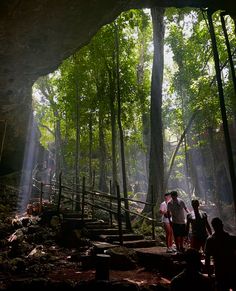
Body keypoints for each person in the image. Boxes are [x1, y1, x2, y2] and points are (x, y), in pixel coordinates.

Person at [204, 217, 236, 291]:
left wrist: (209, 274)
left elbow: (207, 258)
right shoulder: (231, 237)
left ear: (213, 227)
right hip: (232, 268)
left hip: (220, 270)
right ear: (222, 225)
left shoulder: (210, 240)